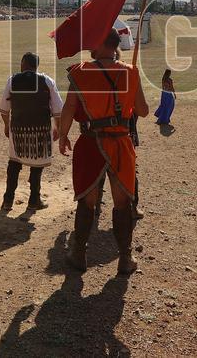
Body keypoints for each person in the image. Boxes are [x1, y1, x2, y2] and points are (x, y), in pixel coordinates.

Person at [58, 28, 149, 276]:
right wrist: (129, 82)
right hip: (119, 142)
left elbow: (69, 108)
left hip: (91, 142)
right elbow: (143, 110)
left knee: (87, 202)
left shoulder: (81, 72)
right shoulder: (130, 72)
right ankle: (125, 259)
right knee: (122, 204)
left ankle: (79, 254)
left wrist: (63, 134)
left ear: (99, 44)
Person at [0, 51, 63, 212]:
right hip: (40, 130)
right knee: (37, 165)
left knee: (14, 163)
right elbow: (57, 109)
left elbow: (4, 110)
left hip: (18, 130)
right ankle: (34, 200)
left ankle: (8, 200)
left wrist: (7, 126)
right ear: (36, 65)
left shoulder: (12, 80)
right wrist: (57, 128)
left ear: (23, 63)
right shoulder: (47, 81)